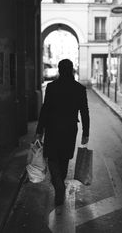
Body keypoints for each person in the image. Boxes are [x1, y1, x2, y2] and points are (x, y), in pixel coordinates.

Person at [35, 59, 90, 206]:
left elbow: (45, 110)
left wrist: (39, 131)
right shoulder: (79, 88)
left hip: (53, 128)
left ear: (59, 70)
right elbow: (84, 111)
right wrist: (86, 132)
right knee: (64, 158)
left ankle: (58, 185)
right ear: (71, 70)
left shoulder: (52, 87)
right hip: (70, 129)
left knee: (52, 157)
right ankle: (60, 184)